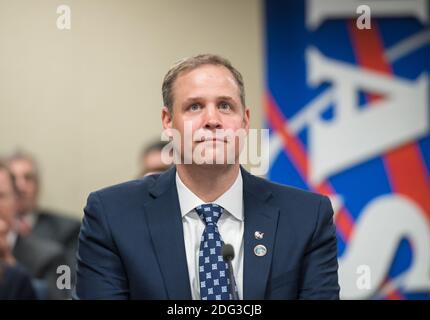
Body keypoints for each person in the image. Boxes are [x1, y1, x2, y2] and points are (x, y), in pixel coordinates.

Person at [74, 54, 339, 300]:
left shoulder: (307, 216)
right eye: (194, 107)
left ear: (245, 122)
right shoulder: (112, 215)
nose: (212, 120)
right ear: (168, 121)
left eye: (225, 105)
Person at [7, 152, 80, 284]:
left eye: (28, 178)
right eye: (12, 179)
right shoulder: (4, 233)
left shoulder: (68, 230)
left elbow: (67, 284)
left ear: (38, 185)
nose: (20, 186)